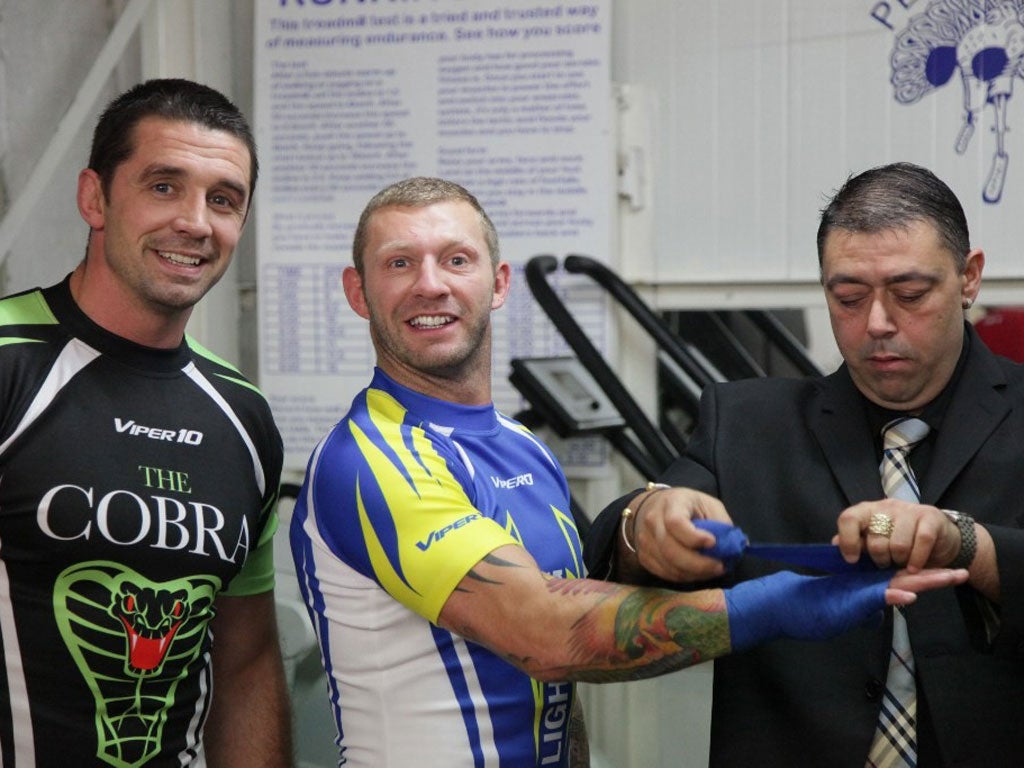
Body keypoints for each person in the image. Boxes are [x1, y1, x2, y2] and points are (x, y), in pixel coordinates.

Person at [288, 175, 966, 768]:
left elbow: (558, 689)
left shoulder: (523, 447)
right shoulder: (368, 459)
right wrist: (774, 605)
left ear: (496, 285)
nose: (429, 284)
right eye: (399, 263)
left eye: (455, 259)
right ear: (358, 291)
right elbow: (548, 635)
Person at [585, 161, 1024, 767]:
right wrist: (648, 522)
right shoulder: (748, 425)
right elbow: (618, 548)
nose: (876, 323)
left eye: (910, 294)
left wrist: (966, 544)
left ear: (970, 277)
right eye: (847, 297)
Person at [0, 79, 291, 766]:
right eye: (164, 186)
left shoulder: (242, 417)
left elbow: (246, 663)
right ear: (94, 198)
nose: (195, 221)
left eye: (224, 199)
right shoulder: (10, 366)